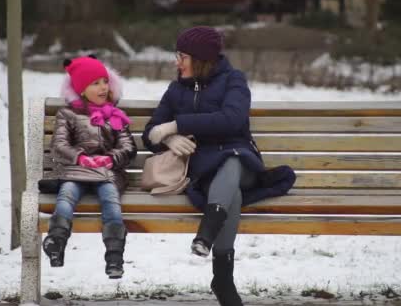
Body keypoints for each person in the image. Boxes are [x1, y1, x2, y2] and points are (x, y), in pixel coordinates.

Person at [142, 26, 296, 305]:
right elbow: (151, 132)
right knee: (231, 194)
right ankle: (222, 278)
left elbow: (232, 119)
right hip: (206, 171)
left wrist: (178, 124)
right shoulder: (177, 90)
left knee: (233, 162)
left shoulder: (234, 80)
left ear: (201, 59)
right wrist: (169, 139)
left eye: (182, 56)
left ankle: (207, 232)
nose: (177, 62)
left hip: (243, 162)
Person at [44, 55, 137, 279]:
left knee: (110, 200)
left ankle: (114, 256)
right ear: (81, 90)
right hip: (76, 170)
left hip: (106, 173)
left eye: (105, 81)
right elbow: (59, 145)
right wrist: (81, 158)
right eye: (95, 83)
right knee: (66, 195)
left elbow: (128, 147)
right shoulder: (68, 114)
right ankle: (56, 240)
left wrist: (110, 159)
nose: (103, 87)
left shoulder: (115, 115)